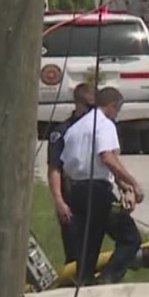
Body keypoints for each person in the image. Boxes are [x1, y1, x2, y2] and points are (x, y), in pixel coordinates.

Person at [60, 87, 145, 286]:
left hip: (77, 191)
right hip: (98, 191)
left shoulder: (74, 129)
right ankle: (108, 276)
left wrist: (123, 186)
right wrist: (133, 184)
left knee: (89, 243)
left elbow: (67, 168)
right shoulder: (104, 125)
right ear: (113, 106)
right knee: (130, 238)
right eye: (118, 110)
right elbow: (107, 157)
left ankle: (85, 280)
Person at [47, 83, 95, 265]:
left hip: (96, 192)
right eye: (89, 106)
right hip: (72, 194)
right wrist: (59, 201)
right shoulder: (62, 132)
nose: (93, 111)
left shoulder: (100, 127)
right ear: (78, 104)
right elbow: (55, 168)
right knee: (75, 251)